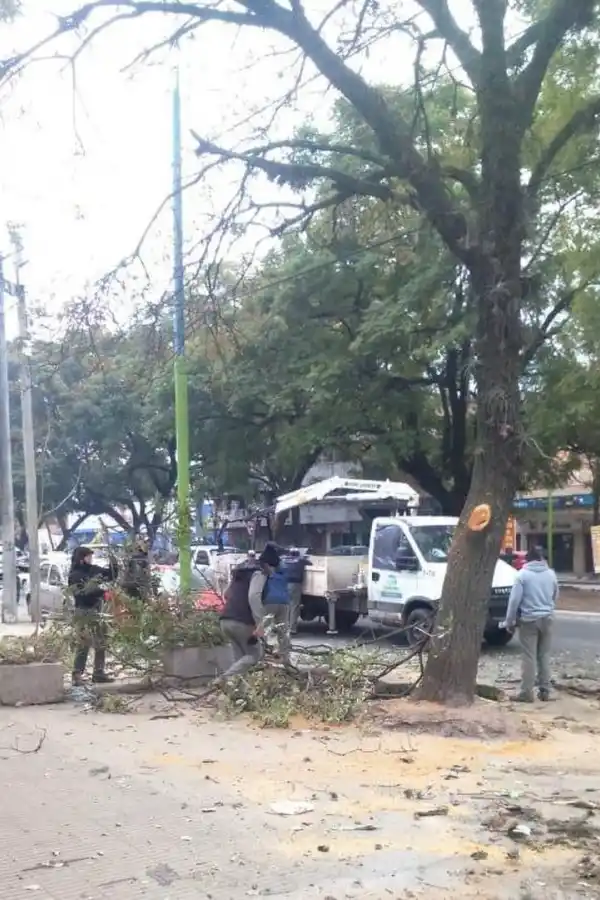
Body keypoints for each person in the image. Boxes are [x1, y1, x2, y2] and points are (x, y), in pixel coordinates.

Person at [502, 545, 558, 703]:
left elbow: (514, 602)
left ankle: (526, 693)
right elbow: (555, 595)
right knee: (544, 655)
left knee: (529, 657)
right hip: (547, 618)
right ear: (542, 558)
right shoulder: (551, 574)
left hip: (529, 620)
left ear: (527, 559)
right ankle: (545, 691)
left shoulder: (522, 575)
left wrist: (509, 621)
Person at [68, 546, 118, 686]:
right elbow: (83, 592)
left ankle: (99, 673)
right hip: (83, 611)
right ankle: (77, 674)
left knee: (101, 641)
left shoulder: (94, 569)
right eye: (88, 556)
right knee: (83, 643)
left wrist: (113, 562)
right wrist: (102, 593)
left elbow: (111, 575)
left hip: (97, 610)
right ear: (81, 558)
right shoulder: (75, 575)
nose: (91, 559)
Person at [281, 548, 310, 634]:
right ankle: (292, 628)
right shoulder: (300, 561)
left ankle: (284, 626)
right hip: (295, 585)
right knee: (294, 606)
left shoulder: (284, 560)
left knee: (286, 606)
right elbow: (310, 563)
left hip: (284, 584)